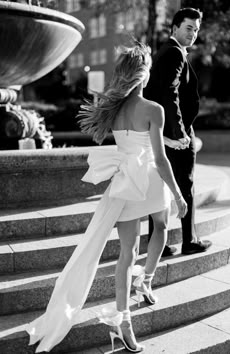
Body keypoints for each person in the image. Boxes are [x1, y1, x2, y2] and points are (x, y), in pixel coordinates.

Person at [26, 42, 187, 353]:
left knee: (128, 254)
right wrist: (179, 193)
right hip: (151, 178)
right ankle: (145, 282)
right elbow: (160, 158)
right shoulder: (155, 109)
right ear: (144, 74)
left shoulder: (113, 109)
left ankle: (124, 316)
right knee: (162, 228)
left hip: (125, 182)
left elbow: (134, 138)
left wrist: (165, 139)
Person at [144, 7, 212, 256]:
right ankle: (189, 240)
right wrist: (180, 132)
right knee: (186, 184)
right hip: (176, 133)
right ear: (174, 28)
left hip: (165, 131)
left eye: (196, 30)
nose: (193, 34)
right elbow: (169, 94)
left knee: (162, 186)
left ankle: (157, 245)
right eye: (188, 28)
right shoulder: (174, 53)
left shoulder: (167, 51)